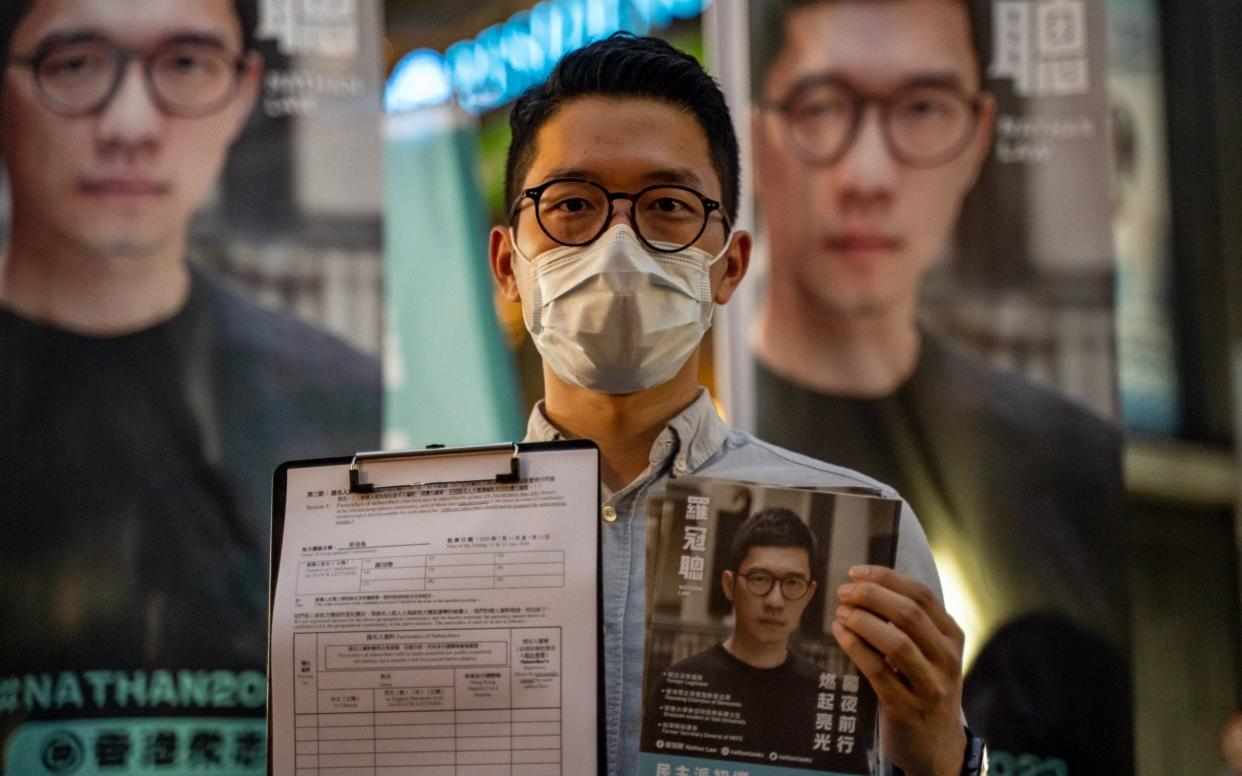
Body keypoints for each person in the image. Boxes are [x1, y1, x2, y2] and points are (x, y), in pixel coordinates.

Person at [490, 32, 978, 776]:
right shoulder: (424, 539)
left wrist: (942, 753)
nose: (618, 246)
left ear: (730, 265)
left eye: (668, 206)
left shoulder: (864, 545)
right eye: (572, 204)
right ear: (507, 264)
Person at [748, 0, 1129, 769]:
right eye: (822, 108)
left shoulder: (1073, 459)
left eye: (923, 108)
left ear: (978, 137)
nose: (868, 175)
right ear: (757, 137)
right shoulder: (702, 449)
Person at [0, 0, 380, 771]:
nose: (131, 126)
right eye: (74, 64)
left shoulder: (340, 396)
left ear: (243, 92)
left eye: (185, 65)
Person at [641, 508, 830, 768]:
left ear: (809, 594)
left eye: (793, 583)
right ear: (729, 585)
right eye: (759, 578)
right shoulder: (677, 687)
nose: (775, 601)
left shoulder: (830, 697)